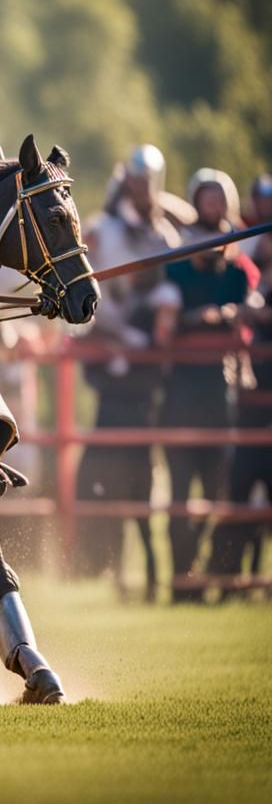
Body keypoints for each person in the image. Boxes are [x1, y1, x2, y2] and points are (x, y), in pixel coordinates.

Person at [73, 146, 184, 594]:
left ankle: (151, 574)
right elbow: (91, 300)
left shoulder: (162, 233)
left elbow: (167, 290)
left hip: (143, 382)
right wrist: (117, 340)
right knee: (99, 478)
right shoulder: (105, 230)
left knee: (138, 481)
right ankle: (104, 567)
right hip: (109, 373)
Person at [154, 169, 258, 601]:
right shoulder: (178, 269)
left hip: (219, 390)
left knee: (216, 493)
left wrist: (240, 311)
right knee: (180, 494)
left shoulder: (237, 271)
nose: (213, 205)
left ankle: (213, 577)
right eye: (206, 198)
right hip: (182, 391)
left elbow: (254, 302)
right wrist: (196, 319)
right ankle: (181, 580)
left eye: (219, 199)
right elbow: (165, 326)